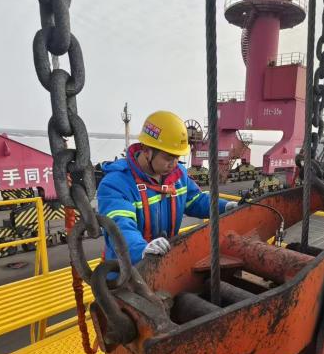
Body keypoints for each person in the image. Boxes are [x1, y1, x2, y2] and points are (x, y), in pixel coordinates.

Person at [98, 111, 238, 264]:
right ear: (147, 150)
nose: (174, 164)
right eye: (168, 158)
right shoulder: (116, 184)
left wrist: (225, 207)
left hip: (163, 262)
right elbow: (119, 225)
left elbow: (195, 200)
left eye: (177, 157)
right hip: (125, 269)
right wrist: (140, 250)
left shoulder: (178, 176)